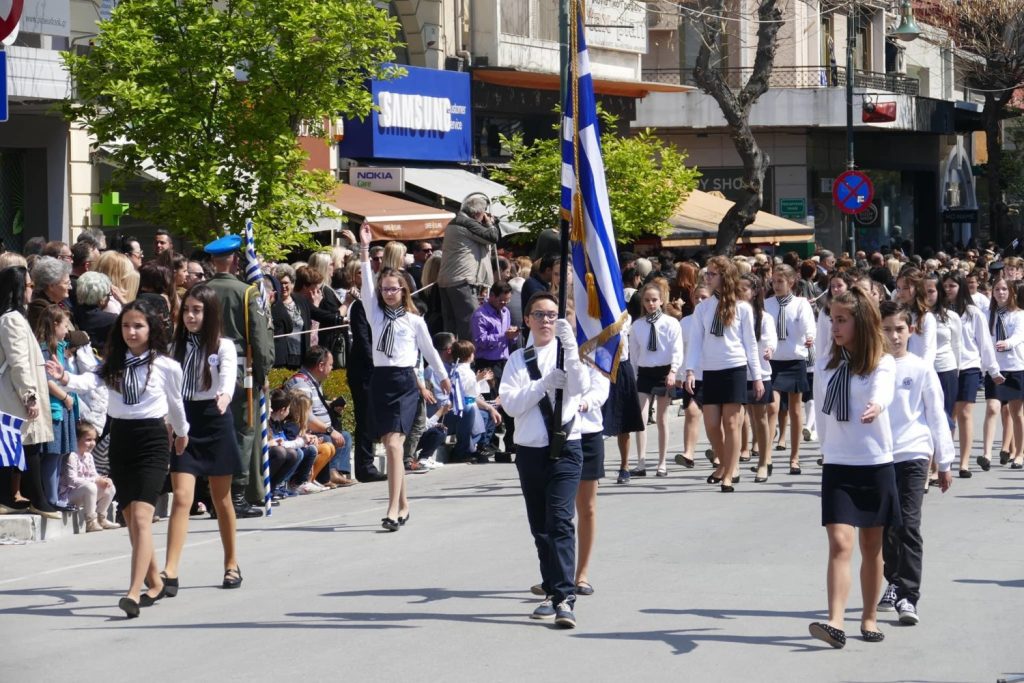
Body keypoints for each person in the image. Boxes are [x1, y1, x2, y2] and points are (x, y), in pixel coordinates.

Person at [53, 300, 190, 618]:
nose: (131, 331)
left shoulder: (166, 366)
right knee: (132, 520)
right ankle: (155, 582)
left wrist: (182, 433)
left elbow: (176, 405)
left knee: (142, 518)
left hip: (153, 443)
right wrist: (64, 378)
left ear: (150, 329)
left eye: (138, 325)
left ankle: (133, 592)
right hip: (121, 442)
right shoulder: (113, 362)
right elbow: (89, 381)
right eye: (126, 325)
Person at [808, 288, 898, 649]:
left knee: (872, 545)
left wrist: (876, 406)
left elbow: (883, 389)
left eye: (842, 320)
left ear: (860, 323)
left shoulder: (882, 362)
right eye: (832, 319)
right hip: (839, 464)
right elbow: (820, 408)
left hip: (874, 462)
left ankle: (869, 617)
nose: (835, 326)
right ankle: (834, 622)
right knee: (839, 543)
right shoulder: (827, 365)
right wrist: (824, 448)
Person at [500, 292, 589, 629]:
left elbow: (579, 387)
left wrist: (572, 350)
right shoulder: (517, 360)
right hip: (530, 449)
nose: (546, 321)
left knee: (560, 521)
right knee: (541, 527)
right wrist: (544, 384)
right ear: (527, 320)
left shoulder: (567, 352)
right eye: (539, 314)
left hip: (566, 447)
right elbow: (511, 404)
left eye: (552, 315)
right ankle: (552, 589)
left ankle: (566, 597)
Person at [359, 223, 450, 531]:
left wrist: (443, 377)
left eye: (393, 289)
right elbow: (366, 288)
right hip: (381, 381)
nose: (388, 293)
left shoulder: (413, 320)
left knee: (396, 446)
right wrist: (363, 248)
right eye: (385, 289)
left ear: (403, 290)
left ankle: (391, 509)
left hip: (405, 382)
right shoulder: (374, 314)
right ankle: (404, 504)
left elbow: (430, 350)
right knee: (390, 442)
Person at [876, 301, 954, 627]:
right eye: (888, 329)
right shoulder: (871, 366)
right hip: (879, 456)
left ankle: (908, 595)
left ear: (911, 331)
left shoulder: (921, 367)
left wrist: (945, 460)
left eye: (900, 329)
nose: (895, 336)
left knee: (908, 524)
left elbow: (936, 414)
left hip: (913, 454)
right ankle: (893, 579)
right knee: (886, 528)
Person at [162, 285, 243, 597]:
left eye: (197, 310)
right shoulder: (174, 347)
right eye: (187, 310)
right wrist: (170, 422)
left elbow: (227, 380)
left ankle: (231, 562)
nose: (191, 316)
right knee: (182, 497)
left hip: (215, 419)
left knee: (221, 500)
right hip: (185, 421)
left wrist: (223, 397)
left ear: (209, 314)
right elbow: (167, 387)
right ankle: (170, 570)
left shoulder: (222, 346)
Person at [204, 234, 274, 518]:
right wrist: (263, 371)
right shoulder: (247, 293)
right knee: (243, 431)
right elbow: (259, 338)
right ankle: (236, 495)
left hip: (204, 372)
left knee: (212, 432)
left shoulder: (200, 291)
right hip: (240, 372)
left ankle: (213, 496)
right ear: (235, 259)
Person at [684, 256, 763, 492]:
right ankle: (724, 462)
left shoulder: (742, 308)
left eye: (711, 274)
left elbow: (750, 343)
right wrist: (690, 370)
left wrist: (757, 376)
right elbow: (696, 341)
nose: (706, 278)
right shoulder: (703, 308)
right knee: (711, 425)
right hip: (710, 369)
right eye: (706, 274)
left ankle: (729, 472)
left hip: (735, 367)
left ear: (724, 277)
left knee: (731, 423)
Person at [0, 265, 57, 518]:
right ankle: (37, 498)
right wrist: (29, 395)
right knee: (28, 443)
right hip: (14, 392)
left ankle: (8, 498)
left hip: (15, 390)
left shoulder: (14, 317)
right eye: (29, 285)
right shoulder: (11, 319)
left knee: (14, 445)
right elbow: (18, 361)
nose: (32, 289)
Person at [943, 272, 1003, 474]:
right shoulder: (938, 313)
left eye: (952, 285)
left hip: (969, 366)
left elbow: (985, 343)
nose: (948, 289)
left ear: (960, 287)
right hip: (946, 367)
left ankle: (964, 462)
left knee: (965, 414)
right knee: (946, 415)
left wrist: (992, 370)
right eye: (946, 286)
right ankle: (945, 460)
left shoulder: (973, 312)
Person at [628, 280, 683, 477]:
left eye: (654, 300)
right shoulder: (637, 326)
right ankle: (641, 462)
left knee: (662, 419)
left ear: (661, 301)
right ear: (642, 302)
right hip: (644, 373)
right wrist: (634, 376)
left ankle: (662, 463)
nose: (651, 304)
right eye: (647, 300)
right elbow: (634, 353)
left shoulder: (671, 323)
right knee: (640, 419)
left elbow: (677, 349)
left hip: (664, 372)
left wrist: (673, 371)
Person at [764, 264, 815, 475]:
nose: (776, 285)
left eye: (780, 281)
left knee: (795, 410)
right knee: (772, 408)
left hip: (795, 360)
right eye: (774, 281)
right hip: (773, 361)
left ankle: (795, 458)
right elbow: (762, 329)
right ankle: (766, 457)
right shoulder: (766, 304)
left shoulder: (801, 304)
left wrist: (810, 337)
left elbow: (807, 325)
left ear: (791, 282)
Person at [283, 346, 355, 487]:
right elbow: (307, 418)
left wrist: (331, 405)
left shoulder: (313, 382)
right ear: (321, 366)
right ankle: (326, 475)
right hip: (307, 432)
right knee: (330, 437)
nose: (332, 368)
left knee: (345, 435)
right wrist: (329, 430)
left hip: (320, 429)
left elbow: (314, 406)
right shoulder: (301, 384)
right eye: (330, 365)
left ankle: (335, 472)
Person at [33, 304, 77, 510]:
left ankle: (56, 495)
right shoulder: (44, 349)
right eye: (65, 325)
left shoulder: (61, 349)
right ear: (55, 324)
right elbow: (47, 379)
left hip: (64, 406)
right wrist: (65, 397)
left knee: (61, 453)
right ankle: (50, 498)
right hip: (54, 407)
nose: (67, 330)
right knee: (52, 454)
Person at [574, 360, 609, 597]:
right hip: (557, 433)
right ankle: (555, 572)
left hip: (588, 433)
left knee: (587, 508)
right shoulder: (550, 348)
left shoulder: (597, 351)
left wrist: (583, 403)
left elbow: (600, 389)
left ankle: (582, 574)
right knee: (558, 511)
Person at [738, 274, 777, 483]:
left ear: (754, 292)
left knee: (759, 417)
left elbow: (770, 341)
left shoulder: (763, 317)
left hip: (759, 373)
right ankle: (732, 463)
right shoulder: (732, 315)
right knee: (736, 418)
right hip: (735, 372)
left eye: (743, 289)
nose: (739, 294)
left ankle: (764, 461)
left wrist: (770, 349)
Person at [471, 281, 518, 452]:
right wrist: (502, 336)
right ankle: (488, 442)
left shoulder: (505, 312)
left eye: (507, 301)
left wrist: (512, 336)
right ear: (492, 296)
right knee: (491, 401)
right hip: (487, 363)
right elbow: (480, 342)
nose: (504, 304)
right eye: (501, 301)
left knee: (507, 399)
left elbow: (507, 339)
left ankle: (511, 440)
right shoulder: (480, 315)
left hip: (503, 361)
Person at [60, 422, 120, 532]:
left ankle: (102, 518)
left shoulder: (89, 456)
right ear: (77, 439)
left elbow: (94, 474)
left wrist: (104, 480)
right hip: (69, 495)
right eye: (88, 440)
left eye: (94, 440)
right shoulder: (72, 456)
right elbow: (72, 480)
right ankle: (91, 522)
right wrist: (96, 480)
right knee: (91, 486)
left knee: (110, 487)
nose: (92, 443)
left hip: (85, 493)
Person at [270, 264, 311, 370]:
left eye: (286, 283)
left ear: (292, 284)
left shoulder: (300, 300)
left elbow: (319, 313)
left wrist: (338, 318)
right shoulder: (273, 304)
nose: (283, 287)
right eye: (280, 283)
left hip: (300, 356)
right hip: (282, 358)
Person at [73, 272, 117, 356]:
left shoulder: (71, 312)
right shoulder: (112, 320)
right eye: (108, 295)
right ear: (101, 297)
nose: (109, 298)